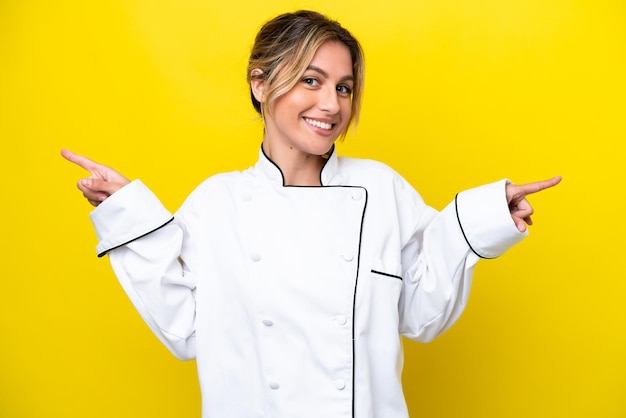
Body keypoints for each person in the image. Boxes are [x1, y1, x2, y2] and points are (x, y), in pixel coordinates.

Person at [62, 10, 561, 418]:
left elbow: (421, 315)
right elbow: (185, 330)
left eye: (343, 88)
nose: (331, 104)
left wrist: (482, 219)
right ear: (260, 84)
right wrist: (131, 218)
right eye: (311, 80)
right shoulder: (219, 203)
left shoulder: (380, 188)